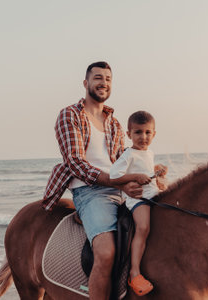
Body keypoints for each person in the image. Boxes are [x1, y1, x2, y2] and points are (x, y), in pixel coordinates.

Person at [41, 61, 143, 300]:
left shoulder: (115, 124)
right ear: (86, 83)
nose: (103, 83)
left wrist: (146, 169)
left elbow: (122, 160)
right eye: (98, 78)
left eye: (108, 79)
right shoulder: (70, 115)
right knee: (106, 252)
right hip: (90, 192)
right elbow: (75, 162)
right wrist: (119, 182)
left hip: (119, 190)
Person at [109, 111, 168, 296]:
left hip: (153, 195)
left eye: (147, 132)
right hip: (139, 199)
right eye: (138, 132)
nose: (143, 137)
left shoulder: (149, 152)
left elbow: (146, 171)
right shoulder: (129, 155)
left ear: (154, 134)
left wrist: (157, 171)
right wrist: (135, 177)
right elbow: (114, 175)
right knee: (143, 228)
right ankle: (134, 272)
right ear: (129, 135)